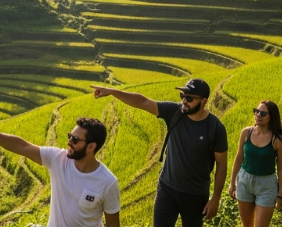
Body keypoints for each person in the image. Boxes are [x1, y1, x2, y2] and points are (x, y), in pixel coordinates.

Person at [92, 78, 227, 226]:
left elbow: (221, 165)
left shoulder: (215, 128)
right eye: (182, 96)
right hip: (167, 189)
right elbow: (143, 102)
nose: (184, 101)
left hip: (195, 195)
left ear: (204, 101)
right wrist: (112, 91)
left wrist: (215, 198)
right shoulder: (175, 112)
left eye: (189, 98)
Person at [0, 117, 120, 227]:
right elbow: (21, 146)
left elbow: (113, 224)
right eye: (70, 136)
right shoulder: (58, 159)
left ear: (91, 147)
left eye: (75, 140)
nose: (69, 142)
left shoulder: (107, 182)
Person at [228, 100, 282, 227]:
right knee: (247, 224)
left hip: (266, 185)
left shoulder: (278, 140)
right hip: (244, 181)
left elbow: (281, 167)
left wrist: (281, 194)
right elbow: (239, 158)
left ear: (271, 117)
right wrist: (232, 183)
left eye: (263, 113)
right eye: (257, 111)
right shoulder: (246, 132)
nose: (258, 115)